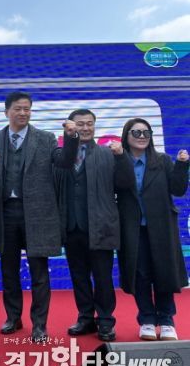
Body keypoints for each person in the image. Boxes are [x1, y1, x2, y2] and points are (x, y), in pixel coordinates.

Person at [0, 91, 79, 343]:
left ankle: (39, 325)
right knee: (9, 271)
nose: (23, 113)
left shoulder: (45, 138)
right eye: (18, 108)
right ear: (6, 112)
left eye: (27, 108)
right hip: (7, 213)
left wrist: (71, 137)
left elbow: (64, 162)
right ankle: (13, 318)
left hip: (38, 214)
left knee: (39, 273)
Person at [54, 109, 133, 342]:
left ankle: (106, 320)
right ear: (71, 127)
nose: (86, 128)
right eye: (80, 124)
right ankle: (86, 317)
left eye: (90, 123)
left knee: (102, 277)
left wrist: (122, 157)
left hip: (101, 226)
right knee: (79, 276)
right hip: (72, 226)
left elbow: (125, 183)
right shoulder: (61, 155)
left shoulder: (108, 154)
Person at [116, 118, 189, 341]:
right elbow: (118, 186)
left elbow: (178, 189)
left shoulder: (163, 160)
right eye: (136, 132)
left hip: (161, 227)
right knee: (140, 274)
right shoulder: (118, 160)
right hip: (132, 228)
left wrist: (182, 165)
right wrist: (119, 158)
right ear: (126, 136)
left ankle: (166, 320)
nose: (142, 137)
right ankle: (147, 319)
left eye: (146, 132)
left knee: (163, 272)